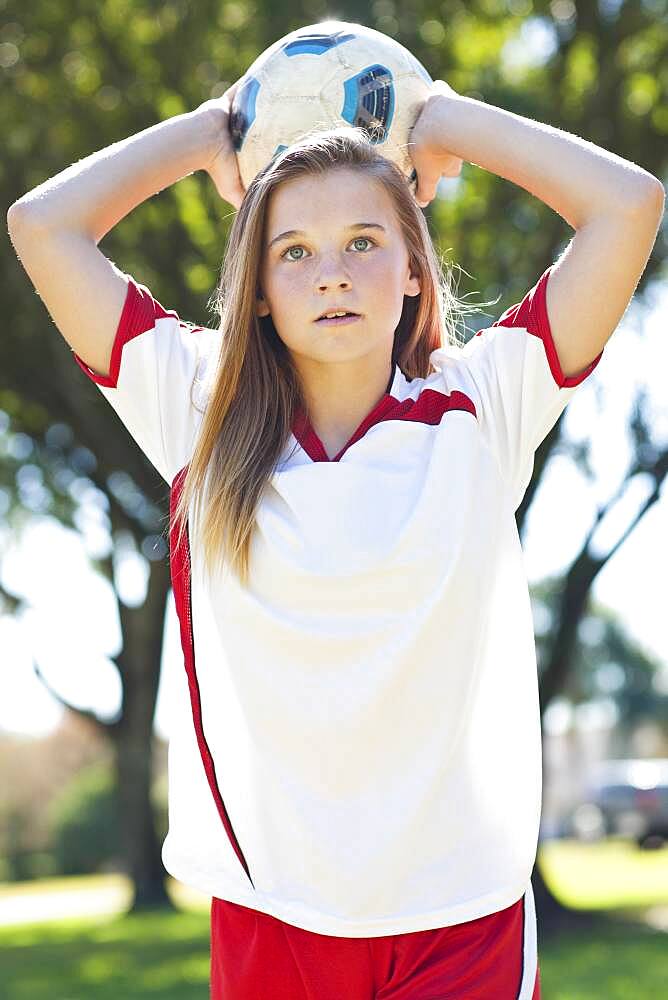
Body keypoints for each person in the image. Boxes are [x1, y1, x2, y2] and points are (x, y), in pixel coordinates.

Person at [8, 60, 663, 1000]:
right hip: (273, 915)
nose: (333, 276)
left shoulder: (482, 405)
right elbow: (42, 226)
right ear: (260, 290)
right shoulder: (198, 408)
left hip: (462, 917)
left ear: (411, 268)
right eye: (295, 252)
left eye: (364, 242)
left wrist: (440, 121)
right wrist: (208, 136)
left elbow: (629, 206)